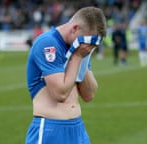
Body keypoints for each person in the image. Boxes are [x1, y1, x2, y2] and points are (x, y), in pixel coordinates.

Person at [25, 6, 106, 144]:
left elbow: (89, 94)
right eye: (87, 41)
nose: (88, 46)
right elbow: (60, 94)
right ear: (74, 28)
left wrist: (83, 58)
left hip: (77, 128)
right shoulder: (48, 43)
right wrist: (76, 57)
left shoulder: (79, 48)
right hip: (50, 129)